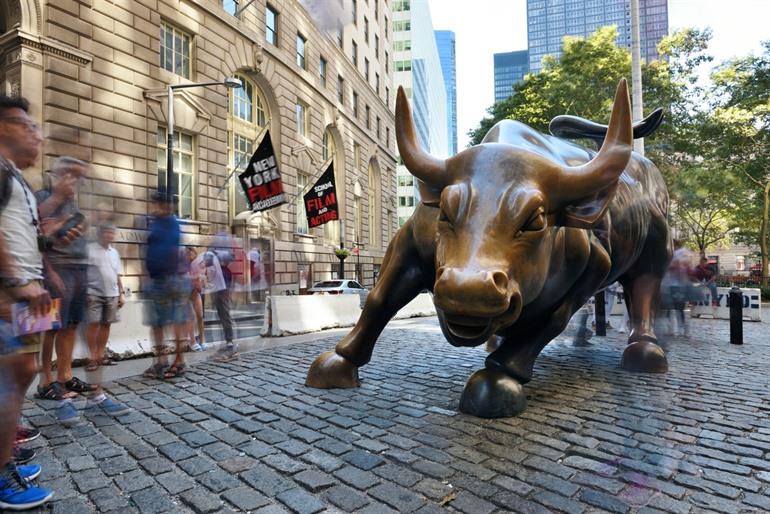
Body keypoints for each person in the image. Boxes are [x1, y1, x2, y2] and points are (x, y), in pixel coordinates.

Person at [0, 95, 56, 510]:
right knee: (11, 376)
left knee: (23, 373)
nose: (38, 135)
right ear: (4, 127)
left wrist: (44, 272)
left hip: (28, 290)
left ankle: (6, 456)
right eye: (28, 126)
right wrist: (18, 281)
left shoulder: (16, 177)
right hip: (10, 291)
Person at [35, 157, 95, 426]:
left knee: (69, 325)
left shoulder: (73, 205)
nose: (77, 183)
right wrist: (50, 272)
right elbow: (37, 239)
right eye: (73, 176)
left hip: (76, 273)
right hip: (55, 273)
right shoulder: (43, 198)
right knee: (50, 327)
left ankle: (65, 376)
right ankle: (45, 381)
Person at [84, 224, 130, 415]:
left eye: (112, 232)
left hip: (111, 293)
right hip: (93, 292)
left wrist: (121, 293)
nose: (110, 235)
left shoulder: (114, 252)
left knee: (106, 324)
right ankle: (92, 355)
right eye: (107, 232)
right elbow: (84, 271)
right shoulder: (90, 249)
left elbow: (118, 274)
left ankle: (100, 353)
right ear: (100, 233)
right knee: (93, 323)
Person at [143, 190, 188, 379]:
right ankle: (161, 361)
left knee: (176, 321)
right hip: (157, 279)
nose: (158, 207)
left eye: (161, 203)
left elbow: (172, 250)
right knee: (157, 323)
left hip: (170, 279)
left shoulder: (171, 223)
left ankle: (179, 361)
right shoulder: (156, 223)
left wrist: (170, 276)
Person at [185, 247, 208, 352]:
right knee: (189, 317)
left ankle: (203, 339)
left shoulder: (198, 266)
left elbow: (203, 282)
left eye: (191, 254)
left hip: (195, 293)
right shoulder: (183, 267)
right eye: (187, 254)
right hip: (185, 293)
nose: (189, 256)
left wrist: (201, 282)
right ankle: (192, 341)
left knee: (200, 316)